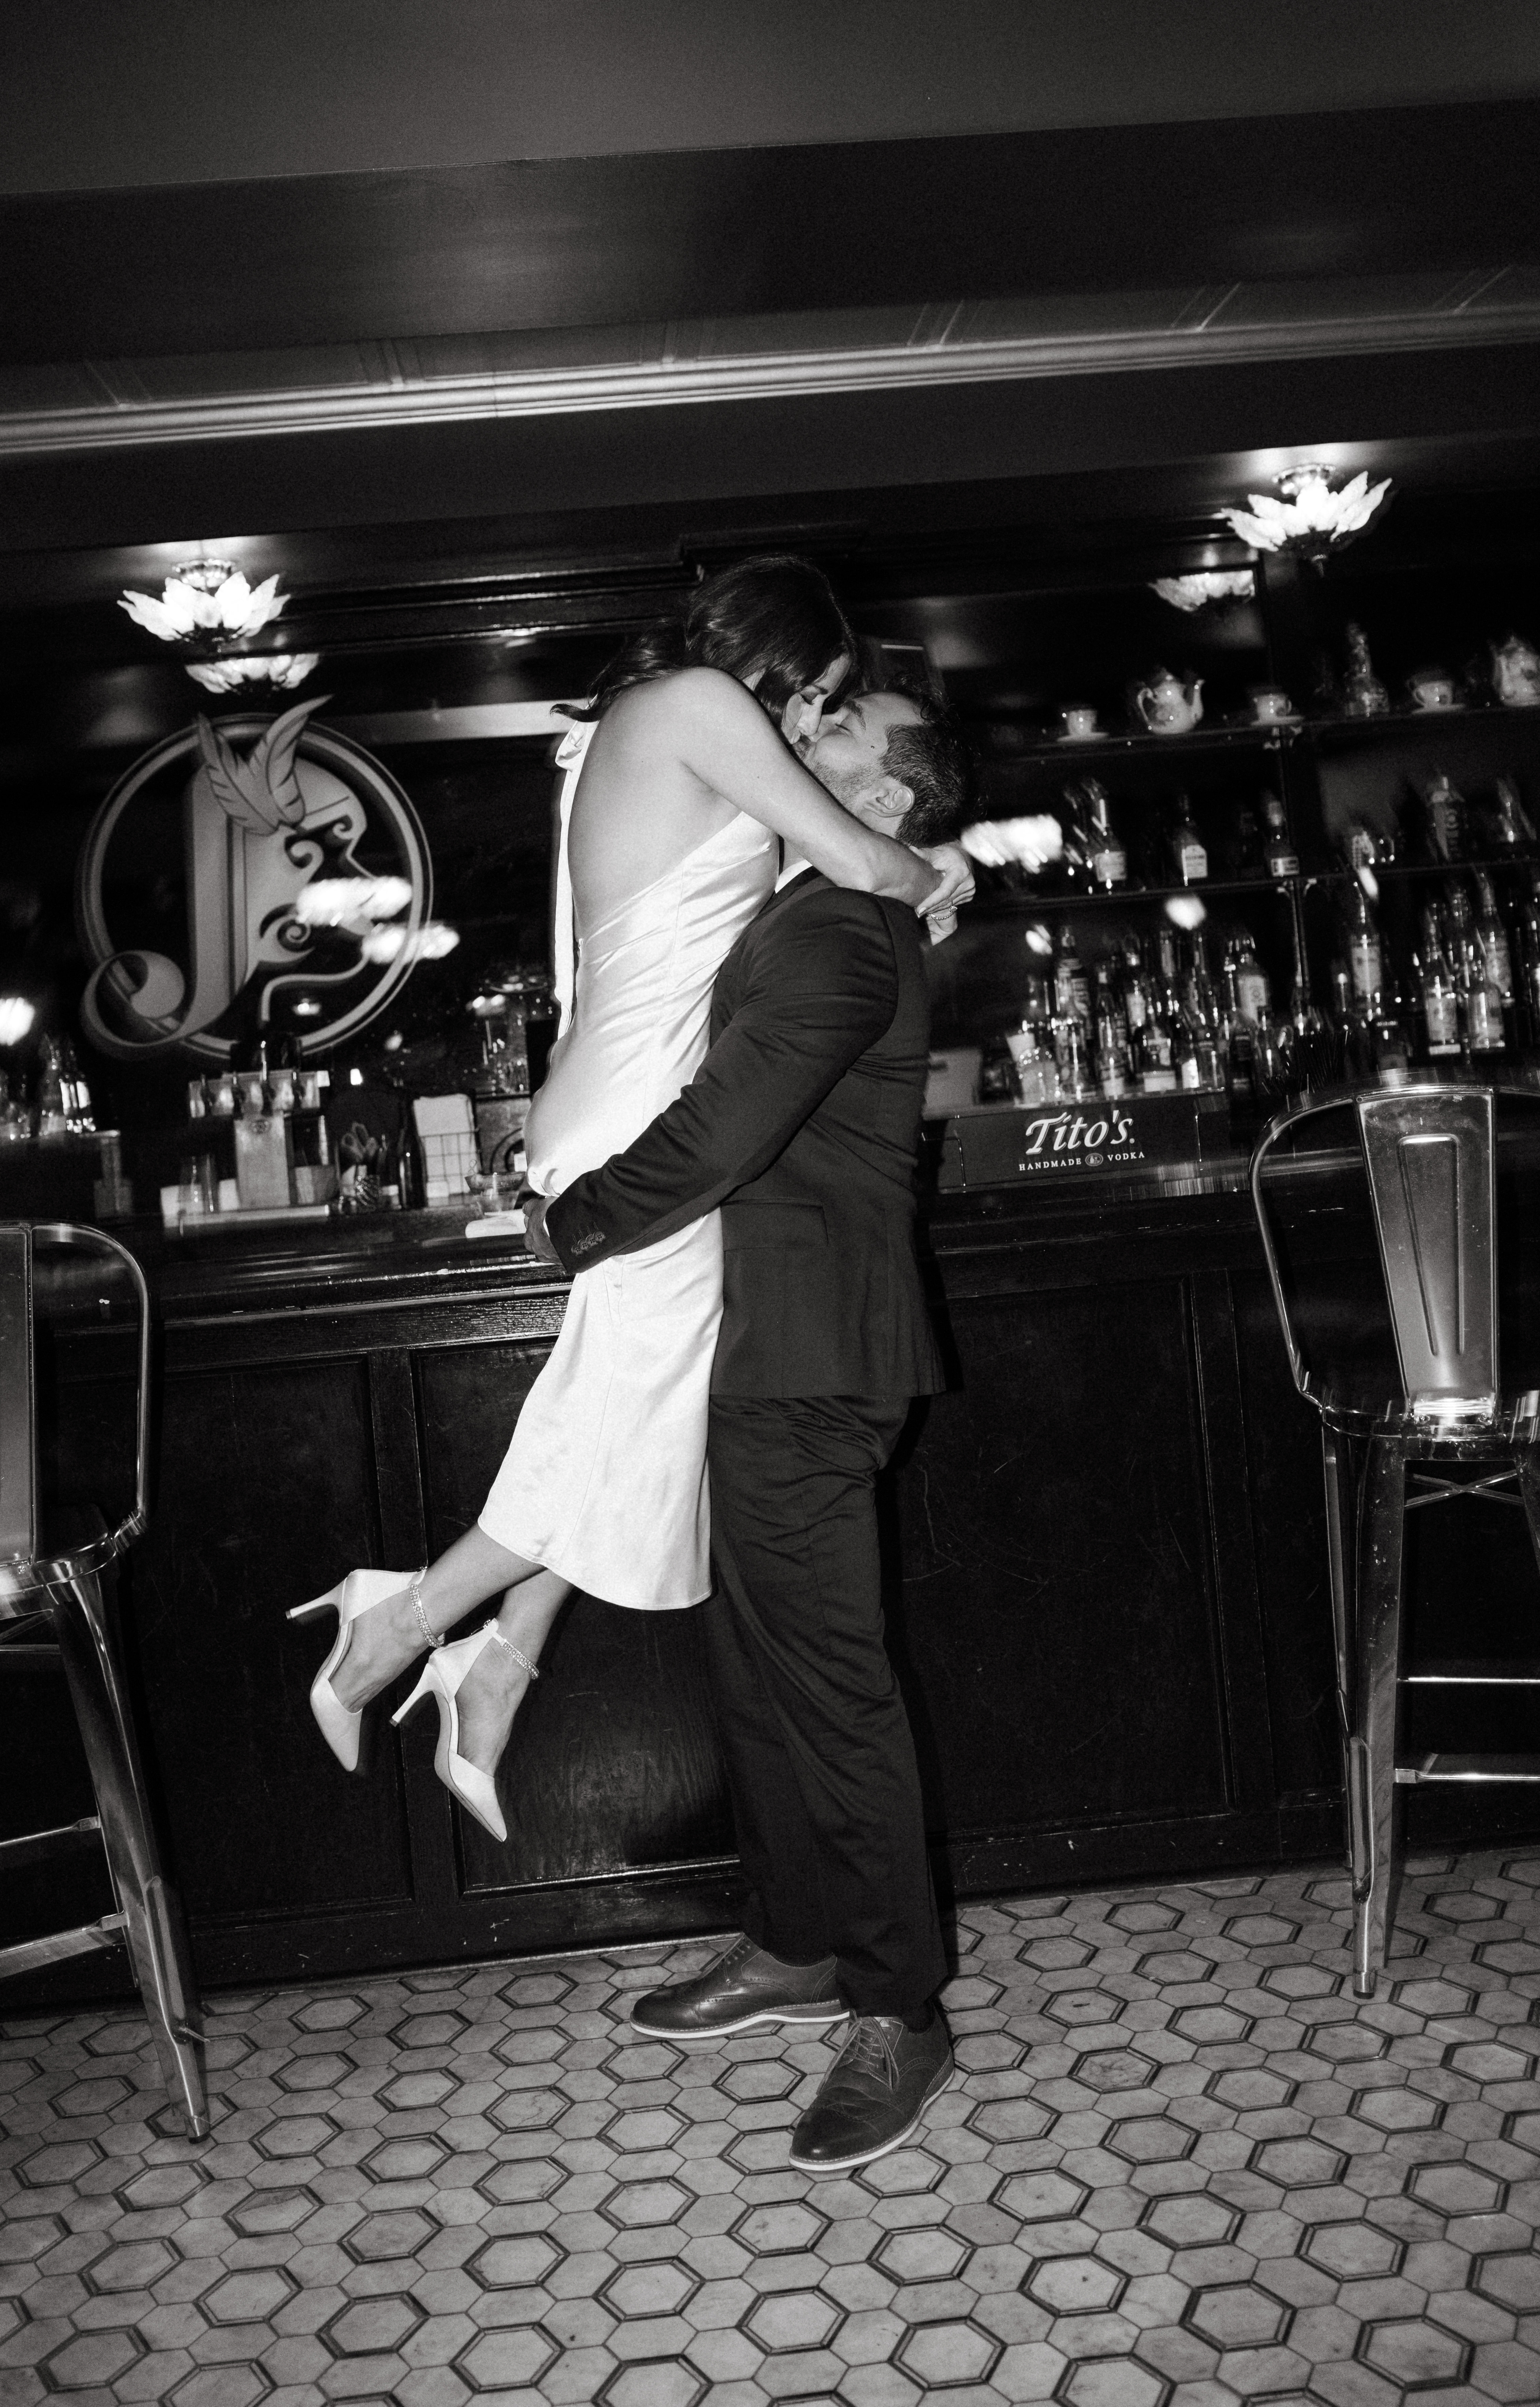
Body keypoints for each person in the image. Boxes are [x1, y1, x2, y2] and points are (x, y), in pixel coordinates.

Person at [288, 559, 972, 1839]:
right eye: (815, 693)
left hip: (618, 1099)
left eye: (828, 709)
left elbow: (814, 869)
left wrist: (914, 852)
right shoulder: (701, 705)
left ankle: (496, 1661)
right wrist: (936, 867)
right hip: (636, 1120)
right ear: (772, 659)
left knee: (638, 1422)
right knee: (634, 1422)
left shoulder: (659, 723)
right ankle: (403, 1621)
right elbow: (860, 863)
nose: (810, 721)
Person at [525, 685, 971, 2173]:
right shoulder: (813, 900)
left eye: (841, 733)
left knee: (830, 1687)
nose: (803, 736)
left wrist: (577, 1219)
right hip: (758, 1345)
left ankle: (899, 2004)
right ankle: (795, 1939)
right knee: (759, 1674)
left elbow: (732, 1123)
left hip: (810, 1346)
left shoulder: (843, 926)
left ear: (890, 798)